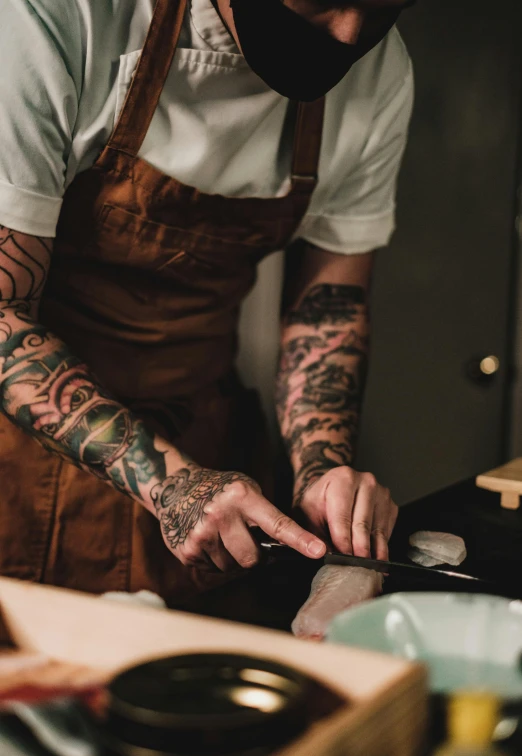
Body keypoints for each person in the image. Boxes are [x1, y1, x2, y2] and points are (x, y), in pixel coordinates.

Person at [0, 0, 413, 605]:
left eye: (382, 8)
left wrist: (323, 470)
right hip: (18, 476)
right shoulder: (60, 16)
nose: (350, 35)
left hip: (216, 470)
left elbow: (327, 306)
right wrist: (170, 484)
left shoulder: (379, 73)